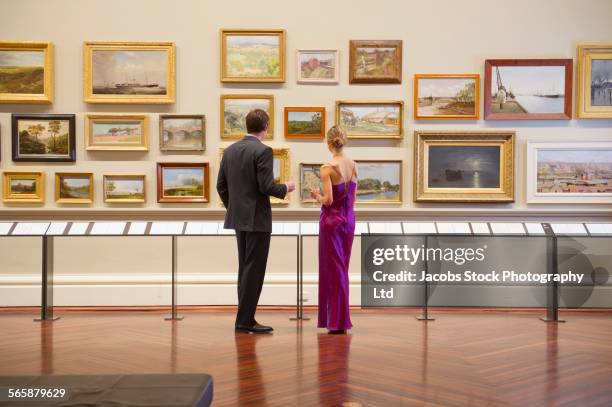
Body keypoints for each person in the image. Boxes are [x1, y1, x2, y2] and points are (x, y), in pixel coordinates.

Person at [217, 109, 296, 333]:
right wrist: (286, 188)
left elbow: (221, 186)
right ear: (266, 127)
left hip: (238, 218)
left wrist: (235, 207)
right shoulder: (263, 151)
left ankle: (244, 318)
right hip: (257, 220)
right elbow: (266, 187)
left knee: (244, 268)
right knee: (254, 270)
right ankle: (245, 320)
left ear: (247, 125)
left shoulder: (230, 151)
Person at [309, 126, 357, 334]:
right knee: (342, 268)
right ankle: (341, 320)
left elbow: (328, 200)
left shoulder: (327, 167)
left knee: (334, 269)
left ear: (328, 143)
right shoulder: (353, 164)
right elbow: (352, 196)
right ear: (343, 141)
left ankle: (337, 322)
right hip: (349, 220)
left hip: (332, 222)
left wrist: (316, 195)